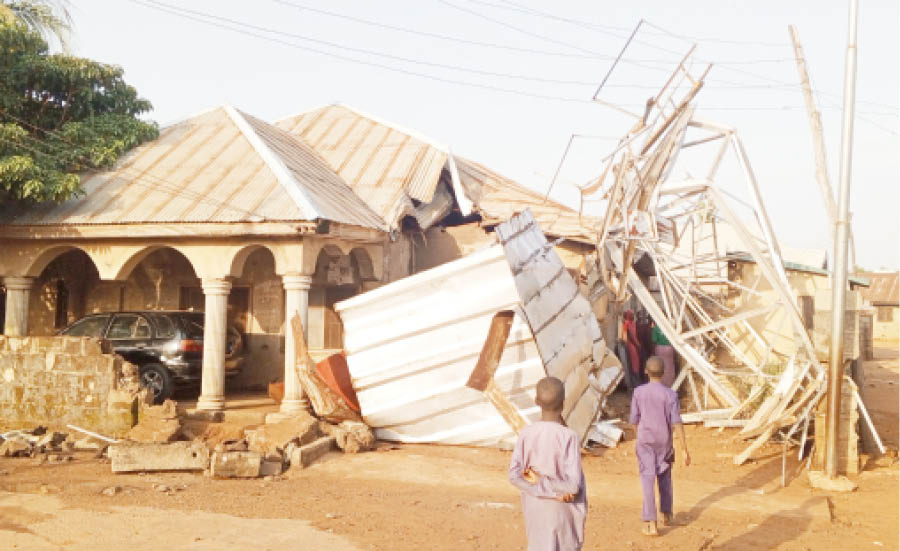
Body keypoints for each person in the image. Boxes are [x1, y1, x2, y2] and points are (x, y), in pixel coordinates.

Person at [508, 377, 586, 551]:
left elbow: (514, 476)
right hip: (562, 511)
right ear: (563, 403)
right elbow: (573, 486)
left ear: (537, 401)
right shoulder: (569, 436)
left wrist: (538, 485)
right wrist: (553, 490)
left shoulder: (526, 434)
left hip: (536, 510)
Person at [629, 356, 690, 537]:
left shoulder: (638, 392)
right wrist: (684, 448)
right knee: (665, 476)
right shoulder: (671, 394)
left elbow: (634, 420)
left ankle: (651, 523)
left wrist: (638, 436)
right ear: (663, 373)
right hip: (664, 441)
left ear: (646, 372)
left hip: (645, 441)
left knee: (647, 479)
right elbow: (677, 422)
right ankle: (667, 514)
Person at [651, 321, 677, 387]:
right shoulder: (670, 327)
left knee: (660, 366)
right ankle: (670, 385)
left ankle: (661, 385)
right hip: (669, 348)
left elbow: (654, 340)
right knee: (670, 367)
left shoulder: (656, 328)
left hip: (660, 348)